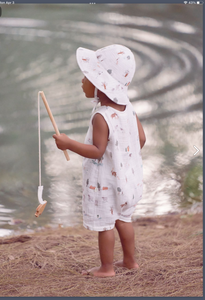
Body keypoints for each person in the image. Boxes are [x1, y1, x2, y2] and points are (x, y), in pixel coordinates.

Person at [53, 44, 146, 277]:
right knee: (124, 220)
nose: (82, 82)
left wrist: (68, 143)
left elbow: (97, 151)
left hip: (106, 183)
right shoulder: (128, 108)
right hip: (128, 180)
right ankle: (130, 262)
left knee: (105, 225)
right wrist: (124, 157)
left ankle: (106, 268)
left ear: (100, 86)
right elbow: (141, 139)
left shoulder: (101, 116)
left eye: (86, 78)